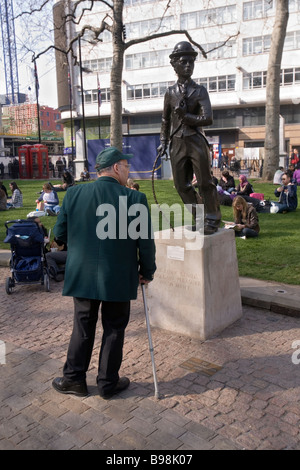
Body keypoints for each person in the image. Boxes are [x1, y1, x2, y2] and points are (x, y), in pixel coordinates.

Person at [52, 146, 156, 399]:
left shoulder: (74, 194)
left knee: (83, 326)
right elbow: (145, 242)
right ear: (117, 168)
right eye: (127, 166)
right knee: (114, 328)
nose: (129, 171)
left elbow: (59, 235)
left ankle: (74, 379)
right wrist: (147, 271)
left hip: (83, 273)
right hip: (118, 275)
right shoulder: (135, 199)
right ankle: (108, 383)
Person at [158, 41, 221, 235]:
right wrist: (163, 142)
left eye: (191, 62)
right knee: (181, 185)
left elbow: (208, 118)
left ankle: (212, 218)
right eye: (184, 62)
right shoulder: (170, 93)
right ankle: (200, 218)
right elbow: (165, 119)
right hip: (177, 143)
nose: (188, 66)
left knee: (205, 182)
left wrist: (187, 117)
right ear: (174, 65)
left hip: (196, 141)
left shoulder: (200, 91)